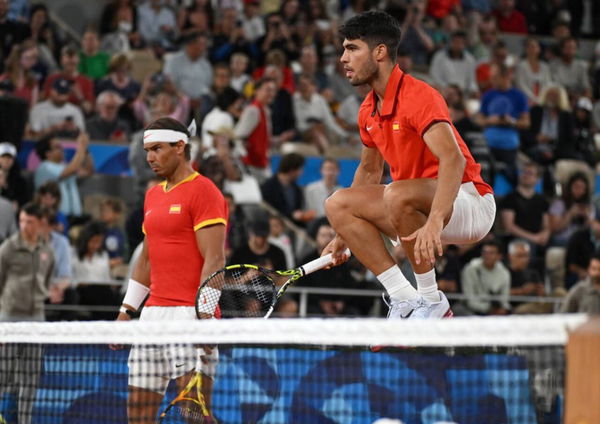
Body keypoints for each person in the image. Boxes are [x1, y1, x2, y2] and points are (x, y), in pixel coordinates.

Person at [324, 11, 495, 320]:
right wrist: (344, 234)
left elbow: (453, 159)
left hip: (469, 202)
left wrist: (435, 221)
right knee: (338, 205)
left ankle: (432, 301)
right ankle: (404, 299)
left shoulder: (419, 96)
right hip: (413, 206)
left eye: (352, 48)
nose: (343, 58)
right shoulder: (367, 110)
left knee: (396, 194)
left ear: (379, 52)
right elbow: (368, 171)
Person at [112, 117, 227, 422]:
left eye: (157, 149)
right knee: (137, 416)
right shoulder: (152, 195)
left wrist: (204, 317)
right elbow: (147, 260)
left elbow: (214, 259)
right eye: (147, 150)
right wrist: (127, 310)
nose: (149, 157)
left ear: (180, 147)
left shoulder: (204, 191)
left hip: (190, 316)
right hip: (152, 318)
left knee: (194, 415)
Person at [0, 202, 54, 424]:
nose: (24, 225)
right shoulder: (8, 248)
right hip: (9, 322)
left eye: (29, 222)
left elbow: (48, 280)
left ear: (40, 223)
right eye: (21, 220)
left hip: (36, 323)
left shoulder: (47, 251)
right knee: (4, 378)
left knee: (29, 381)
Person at [34, 131, 93, 219]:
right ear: (48, 153)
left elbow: (88, 171)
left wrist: (86, 151)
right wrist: (81, 146)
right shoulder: (45, 167)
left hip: (74, 217)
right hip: (55, 217)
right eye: (57, 147)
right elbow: (72, 168)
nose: (62, 149)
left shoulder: (63, 167)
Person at [461, 240, 511, 315]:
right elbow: (470, 300)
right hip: (472, 311)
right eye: (485, 252)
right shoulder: (471, 269)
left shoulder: (504, 273)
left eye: (491, 253)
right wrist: (489, 309)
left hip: (495, 311)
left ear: (499, 256)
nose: (487, 256)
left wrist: (504, 309)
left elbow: (504, 300)